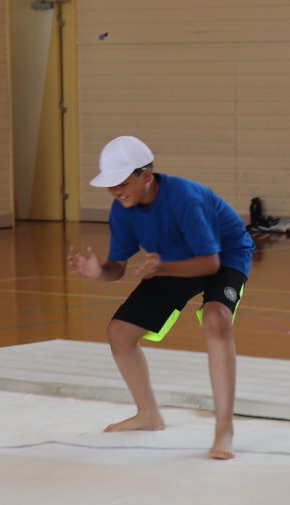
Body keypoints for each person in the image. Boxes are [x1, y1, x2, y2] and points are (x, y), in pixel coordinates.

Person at [67, 136, 254, 460]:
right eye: (110, 186)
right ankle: (148, 414)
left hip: (224, 255)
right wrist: (99, 272)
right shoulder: (122, 209)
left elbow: (210, 264)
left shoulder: (186, 200)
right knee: (120, 332)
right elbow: (117, 268)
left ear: (147, 176)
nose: (116, 191)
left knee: (216, 319)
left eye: (123, 183)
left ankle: (224, 429)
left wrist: (162, 266)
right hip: (170, 260)